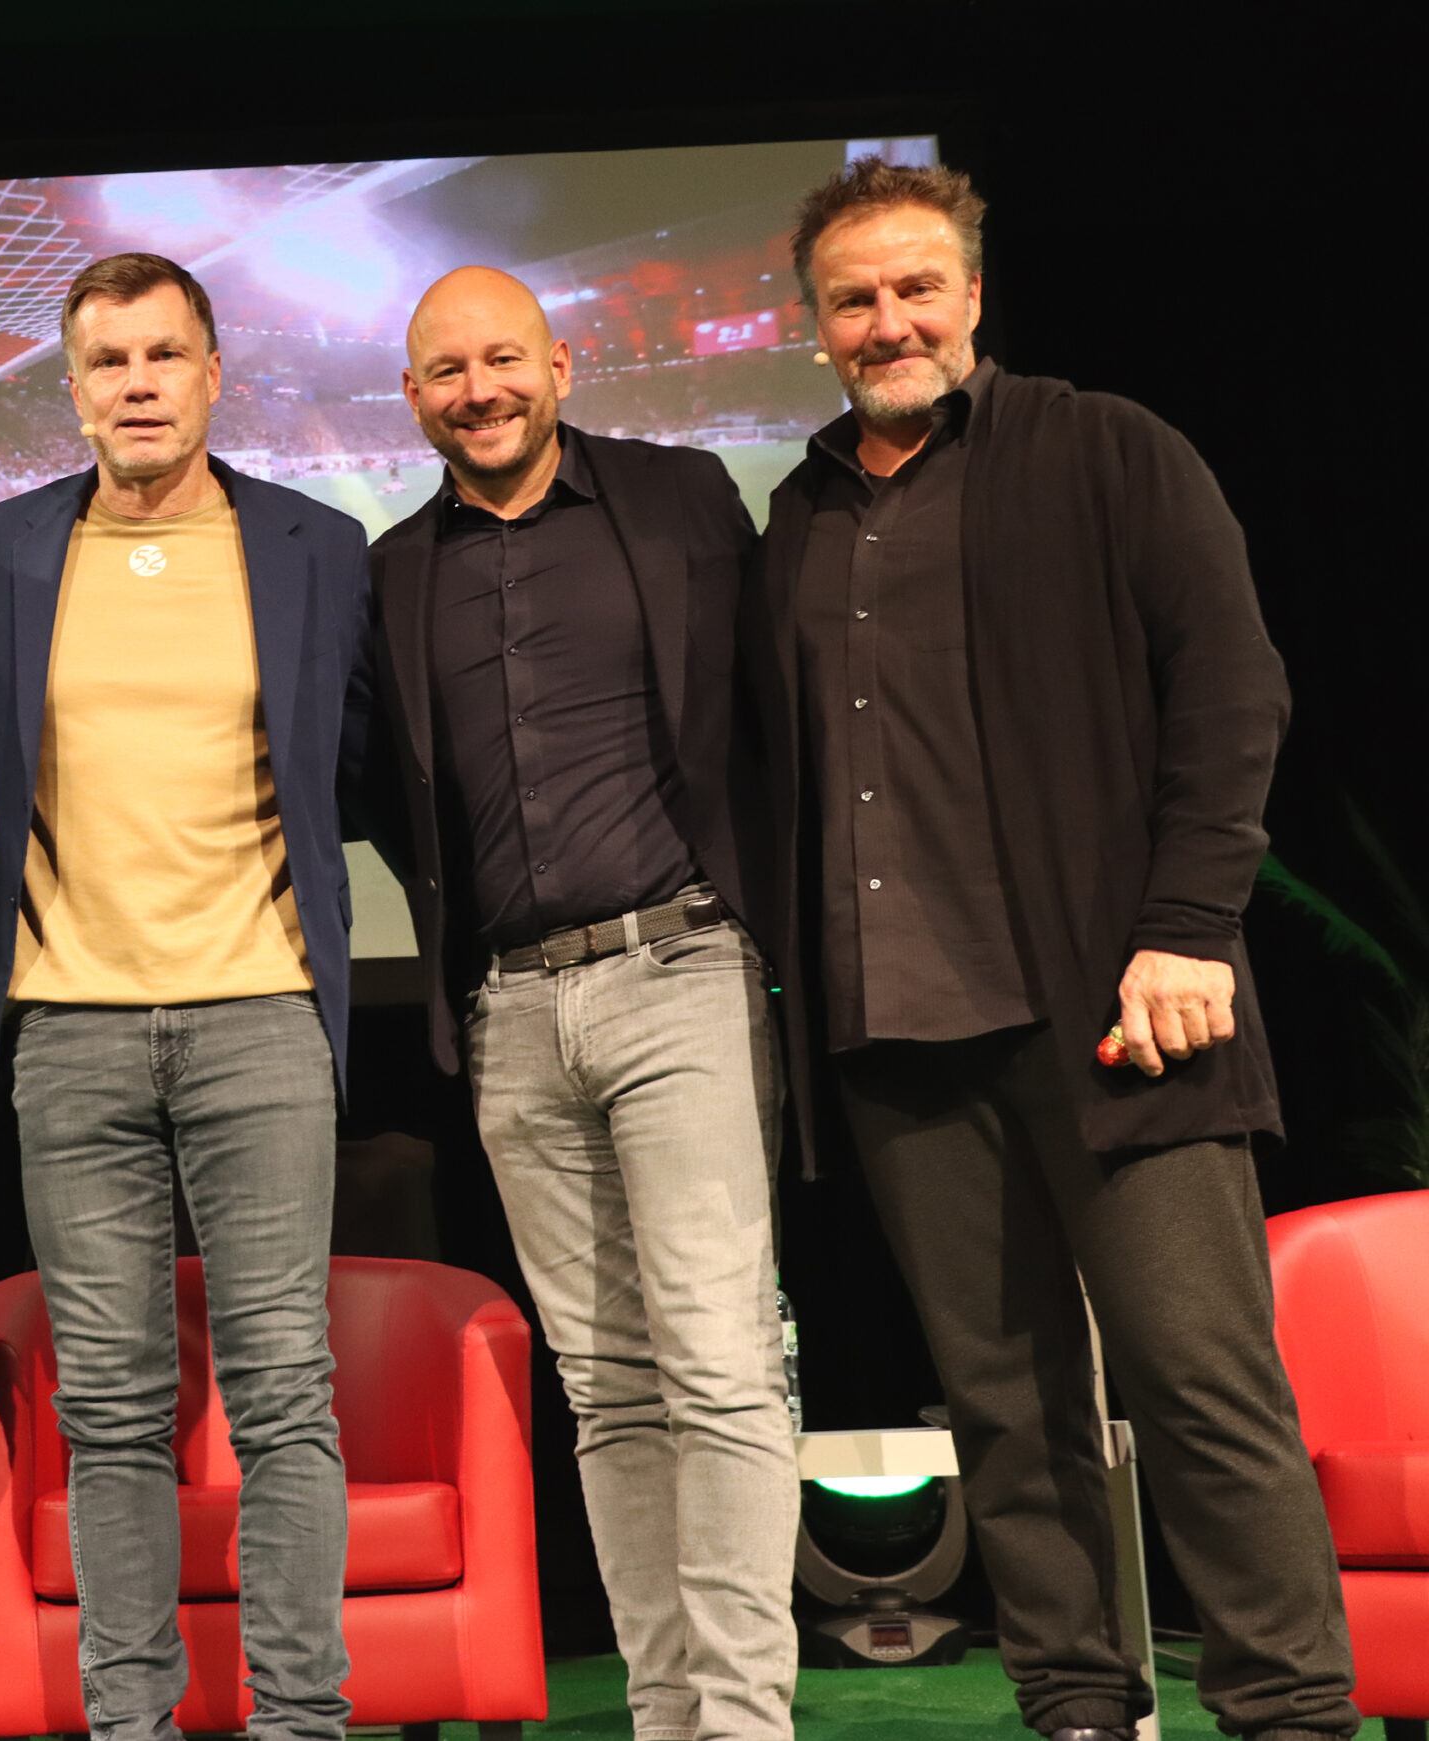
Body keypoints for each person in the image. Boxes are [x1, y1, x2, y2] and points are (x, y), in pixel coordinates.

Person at [743, 157, 1359, 1741]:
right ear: (816, 323)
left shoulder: (1104, 447)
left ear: (970, 290)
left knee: (1199, 1378)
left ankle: (1289, 1710)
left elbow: (1232, 686)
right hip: (899, 1033)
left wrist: (1186, 929)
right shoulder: (800, 513)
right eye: (855, 299)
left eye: (915, 286)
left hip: (1118, 1011)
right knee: (1007, 1410)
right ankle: (1078, 1703)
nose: (889, 321)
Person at [0, 253, 374, 1741]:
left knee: (284, 1395)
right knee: (108, 1410)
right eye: (109, 362)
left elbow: (364, 758)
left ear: (213, 371)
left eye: (164, 355)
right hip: (71, 1026)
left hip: (263, 1015)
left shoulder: (313, 544)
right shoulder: (8, 547)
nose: (139, 384)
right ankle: (130, 1722)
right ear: (73, 388)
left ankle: (301, 1722)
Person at [361, 266, 797, 1741]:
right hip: (510, 1013)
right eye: (445, 372)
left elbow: (774, 706)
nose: (477, 390)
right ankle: (668, 1716)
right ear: (412, 398)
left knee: (719, 1364)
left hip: (682, 974)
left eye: (502, 359)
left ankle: (744, 1721)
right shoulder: (393, 570)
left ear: (560, 365)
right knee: (607, 1390)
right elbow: (392, 792)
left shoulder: (682, 502)